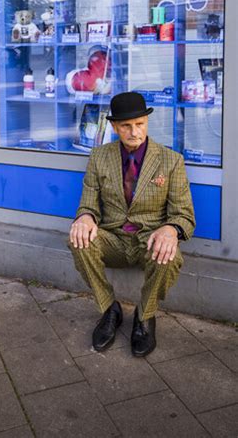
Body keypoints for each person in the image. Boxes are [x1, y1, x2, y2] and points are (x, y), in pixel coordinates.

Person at [69, 91, 195, 357]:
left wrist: (170, 229)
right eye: (126, 126)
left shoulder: (171, 161)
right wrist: (85, 218)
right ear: (114, 127)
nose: (134, 132)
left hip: (149, 242)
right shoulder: (99, 157)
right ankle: (109, 309)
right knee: (77, 239)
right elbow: (88, 203)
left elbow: (184, 215)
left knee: (169, 255)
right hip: (113, 239)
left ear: (147, 123)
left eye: (139, 124)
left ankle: (145, 316)